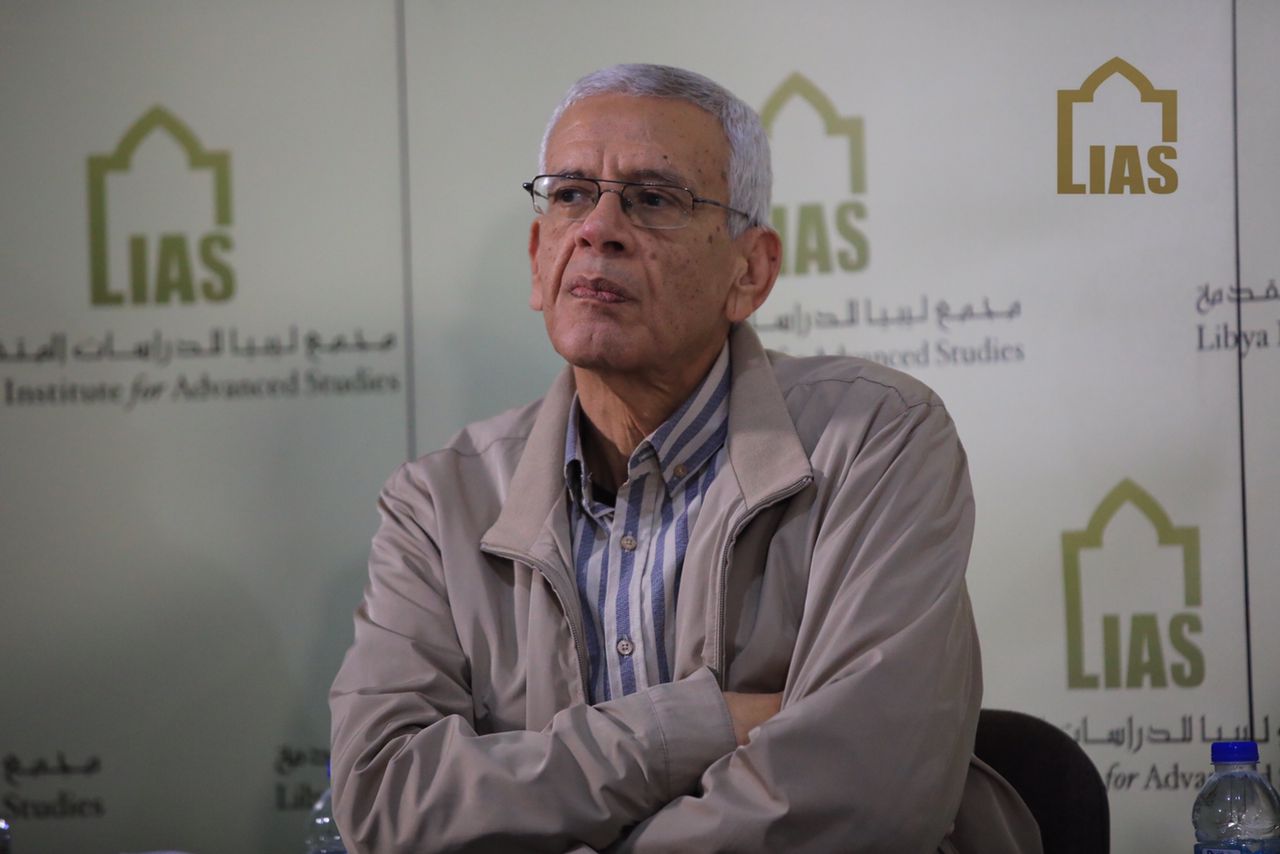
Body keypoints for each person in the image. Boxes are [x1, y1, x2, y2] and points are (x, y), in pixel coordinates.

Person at [329, 63, 1042, 853]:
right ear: (539, 259)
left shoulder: (877, 438)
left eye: (654, 199)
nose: (598, 228)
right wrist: (696, 726)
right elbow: (385, 803)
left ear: (750, 271)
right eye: (571, 194)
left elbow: (862, 796)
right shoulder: (438, 503)